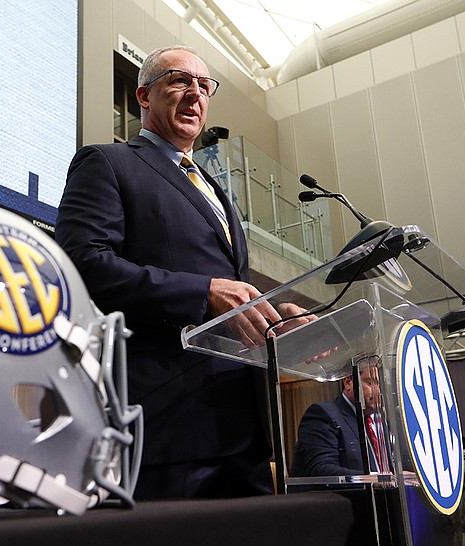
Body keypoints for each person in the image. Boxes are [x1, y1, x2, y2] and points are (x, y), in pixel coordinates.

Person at [55, 45, 313, 499]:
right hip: (167, 427)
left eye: (204, 86)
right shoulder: (107, 163)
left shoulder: (216, 190)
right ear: (143, 96)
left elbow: (227, 290)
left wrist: (270, 314)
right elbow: (84, 263)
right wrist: (204, 292)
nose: (195, 93)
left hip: (244, 430)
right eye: (179, 80)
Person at [289, 356, 387, 477]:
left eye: (380, 384)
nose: (378, 391)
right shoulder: (322, 414)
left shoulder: (381, 424)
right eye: (370, 382)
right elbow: (321, 470)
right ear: (348, 382)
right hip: (339, 496)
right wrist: (377, 480)